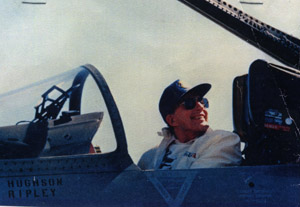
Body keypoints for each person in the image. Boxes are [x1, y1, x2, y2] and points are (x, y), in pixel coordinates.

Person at [138, 80, 242, 170]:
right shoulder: (149, 157)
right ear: (172, 120)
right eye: (189, 103)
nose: (200, 107)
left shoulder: (224, 141)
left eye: (202, 101)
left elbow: (193, 185)